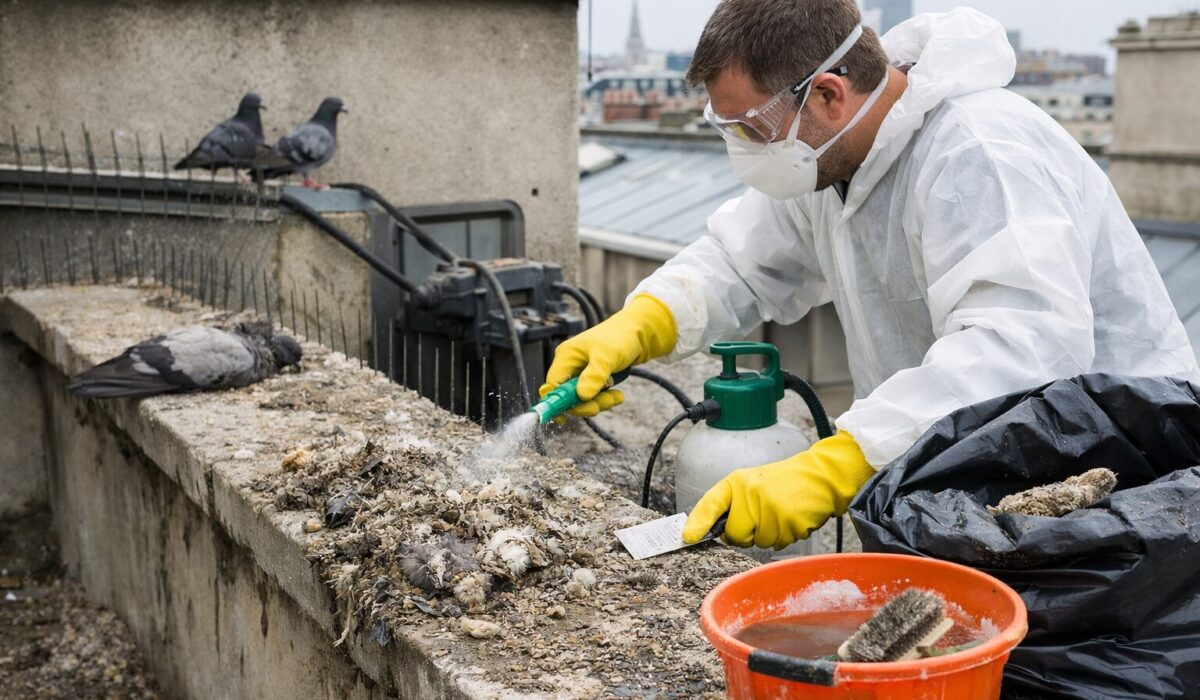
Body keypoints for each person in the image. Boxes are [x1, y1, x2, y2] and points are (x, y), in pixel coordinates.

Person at [543, 0, 1200, 551]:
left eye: (751, 128)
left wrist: (843, 462)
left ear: (827, 94)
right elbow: (740, 259)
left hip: (1125, 493)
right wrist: (640, 324)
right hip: (983, 485)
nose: (744, 151)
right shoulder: (833, 158)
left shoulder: (979, 152)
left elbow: (1020, 352)